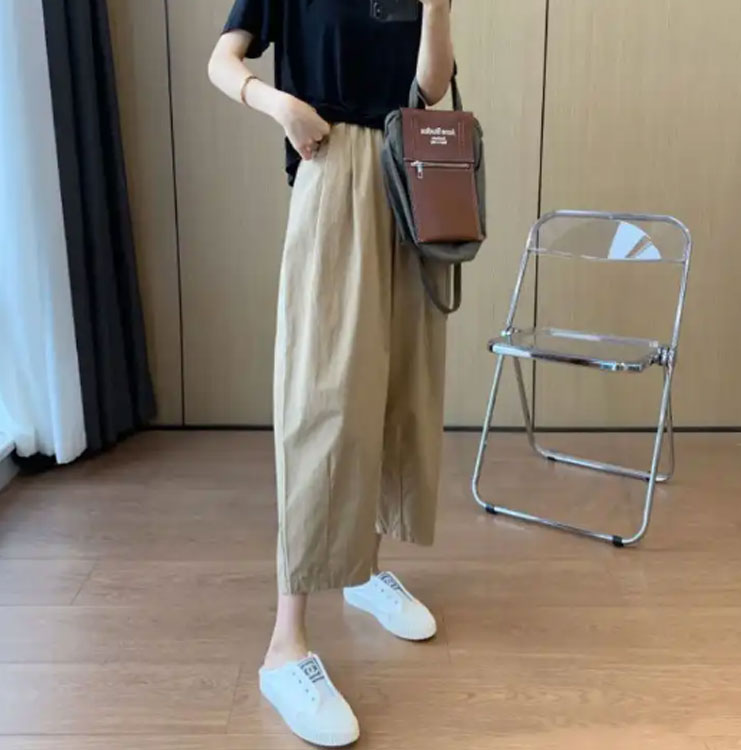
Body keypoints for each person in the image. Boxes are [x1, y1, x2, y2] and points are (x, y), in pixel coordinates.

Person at [209, 1, 454, 745]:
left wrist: (438, 7)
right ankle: (285, 645)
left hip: (407, 178)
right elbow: (222, 61)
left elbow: (429, 89)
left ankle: (362, 567)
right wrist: (278, 104)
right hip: (332, 168)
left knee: (396, 384)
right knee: (323, 397)